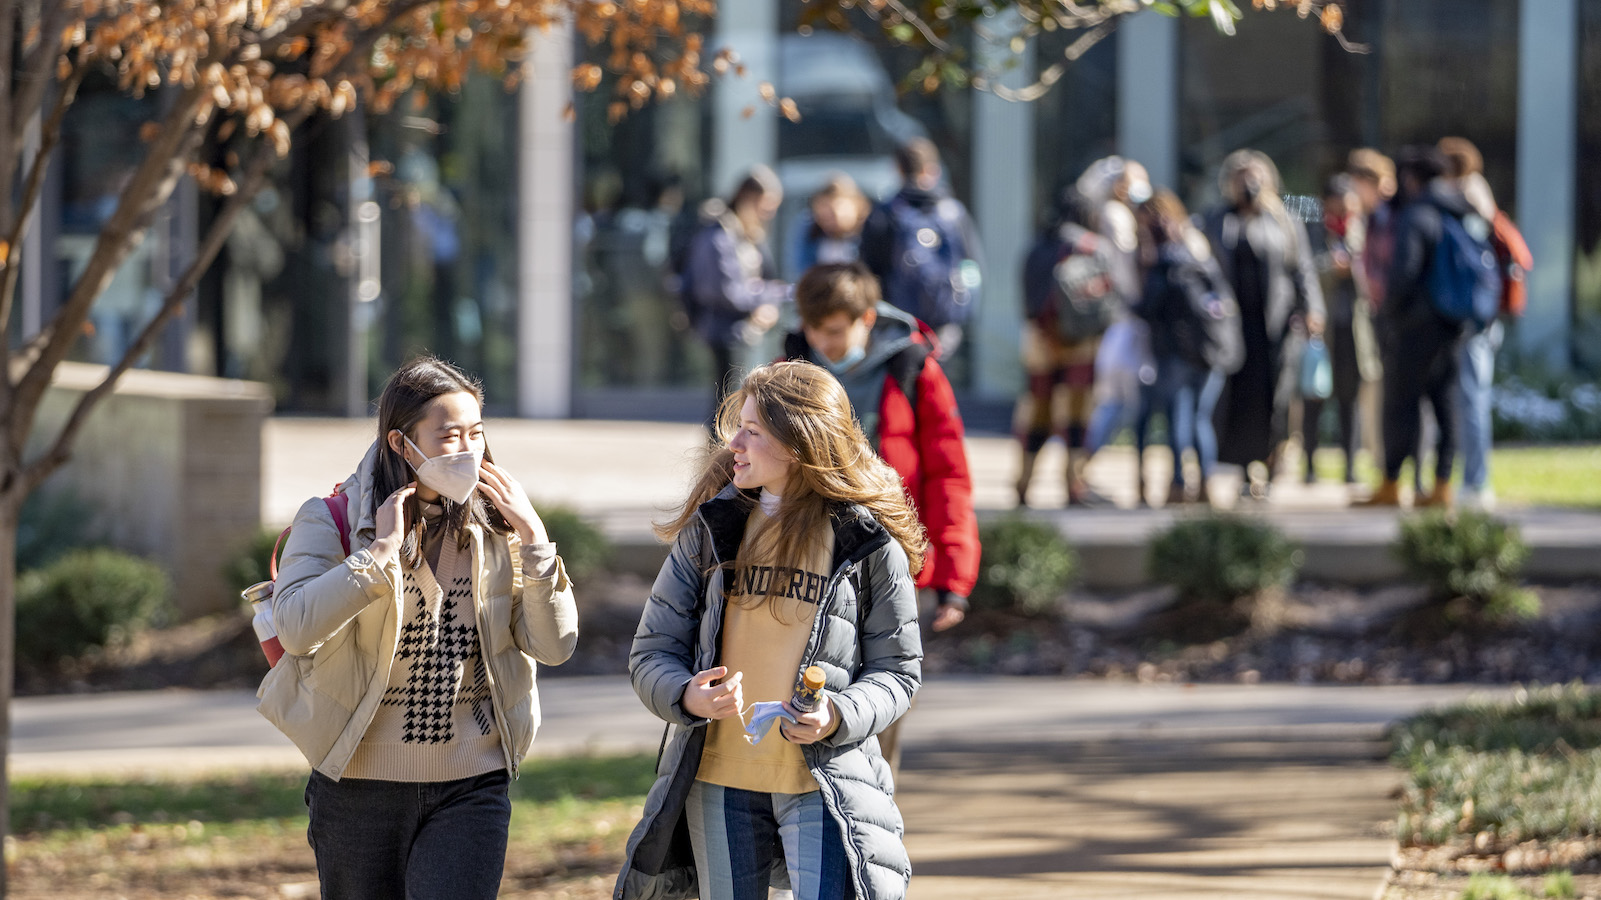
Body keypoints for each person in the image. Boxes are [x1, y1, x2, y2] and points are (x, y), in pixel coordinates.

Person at [259, 356, 579, 900]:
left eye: (476, 434)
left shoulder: (498, 529)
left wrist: (535, 538)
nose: (469, 451)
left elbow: (555, 646)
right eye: (449, 436)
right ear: (401, 443)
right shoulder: (330, 519)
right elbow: (293, 628)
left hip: (472, 782)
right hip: (357, 787)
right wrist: (378, 554)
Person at [614, 361, 927, 900]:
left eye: (753, 431)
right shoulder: (710, 530)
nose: (734, 441)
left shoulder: (867, 544)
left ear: (800, 442)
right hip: (717, 781)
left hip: (825, 783)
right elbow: (652, 652)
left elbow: (898, 671)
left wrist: (837, 713)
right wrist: (685, 694)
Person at [783, 262, 980, 776]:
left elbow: (948, 475)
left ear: (866, 318)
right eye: (812, 329)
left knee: (883, 695)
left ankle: (875, 812)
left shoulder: (914, 370)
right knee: (807, 696)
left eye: (833, 331)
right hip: (812, 558)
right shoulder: (792, 370)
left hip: (891, 563)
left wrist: (953, 577)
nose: (821, 342)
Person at [1202, 149, 1326, 500]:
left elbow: (1303, 270)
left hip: (1275, 326)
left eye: (1254, 175)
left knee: (1276, 399)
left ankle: (1270, 464)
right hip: (1232, 328)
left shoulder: (1285, 220)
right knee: (1239, 400)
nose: (1249, 183)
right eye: (1241, 176)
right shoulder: (1218, 220)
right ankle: (1244, 469)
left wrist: (1313, 309)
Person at [1362, 146, 1474, 508]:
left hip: (1415, 325)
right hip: (1453, 323)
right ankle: (1442, 486)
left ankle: (1392, 483)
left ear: (1412, 179)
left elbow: (1404, 273)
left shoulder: (1417, 215)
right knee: (1445, 405)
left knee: (1401, 404)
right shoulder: (1461, 213)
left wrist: (1389, 313)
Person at [1132, 189, 1241, 506]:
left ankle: (1180, 484)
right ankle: (1205, 482)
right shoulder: (1199, 254)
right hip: (1210, 350)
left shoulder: (1164, 263)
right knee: (1200, 419)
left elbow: (1148, 307)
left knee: (1179, 420)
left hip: (1177, 353)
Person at [1015, 188, 1122, 506]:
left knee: (1037, 413)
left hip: (1040, 340)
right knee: (1077, 417)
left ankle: (1022, 484)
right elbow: (1107, 300)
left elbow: (1027, 298)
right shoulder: (1091, 246)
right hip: (1081, 342)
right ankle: (1073, 485)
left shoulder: (1037, 246)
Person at [1438, 136, 1520, 510]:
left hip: (1475, 317)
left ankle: (1476, 482)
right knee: (1467, 397)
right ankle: (1470, 479)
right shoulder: (1476, 194)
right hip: (1480, 316)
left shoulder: (1469, 196)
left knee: (1471, 398)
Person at [680, 165, 791, 425]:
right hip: (724, 331)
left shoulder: (746, 232)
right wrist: (770, 297)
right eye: (767, 205)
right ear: (749, 199)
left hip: (743, 330)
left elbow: (762, 278)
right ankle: (719, 463)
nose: (770, 213)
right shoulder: (719, 236)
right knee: (727, 408)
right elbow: (727, 291)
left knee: (737, 405)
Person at [859, 136, 984, 355]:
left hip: (899, 321)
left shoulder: (884, 215)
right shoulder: (954, 213)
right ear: (933, 169)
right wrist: (966, 309)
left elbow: (869, 270)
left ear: (897, 169)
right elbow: (972, 265)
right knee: (936, 380)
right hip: (945, 321)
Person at [1311, 174, 1380, 486]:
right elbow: (1305, 268)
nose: (1344, 210)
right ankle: (1308, 466)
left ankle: (1350, 466)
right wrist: (1330, 266)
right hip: (1321, 330)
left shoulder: (1364, 230)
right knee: (1314, 395)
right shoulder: (1313, 229)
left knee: (1349, 399)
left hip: (1354, 330)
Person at [785, 172, 871, 280]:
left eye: (833, 214)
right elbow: (803, 271)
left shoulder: (873, 230)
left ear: (855, 206)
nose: (828, 222)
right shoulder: (809, 229)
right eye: (822, 217)